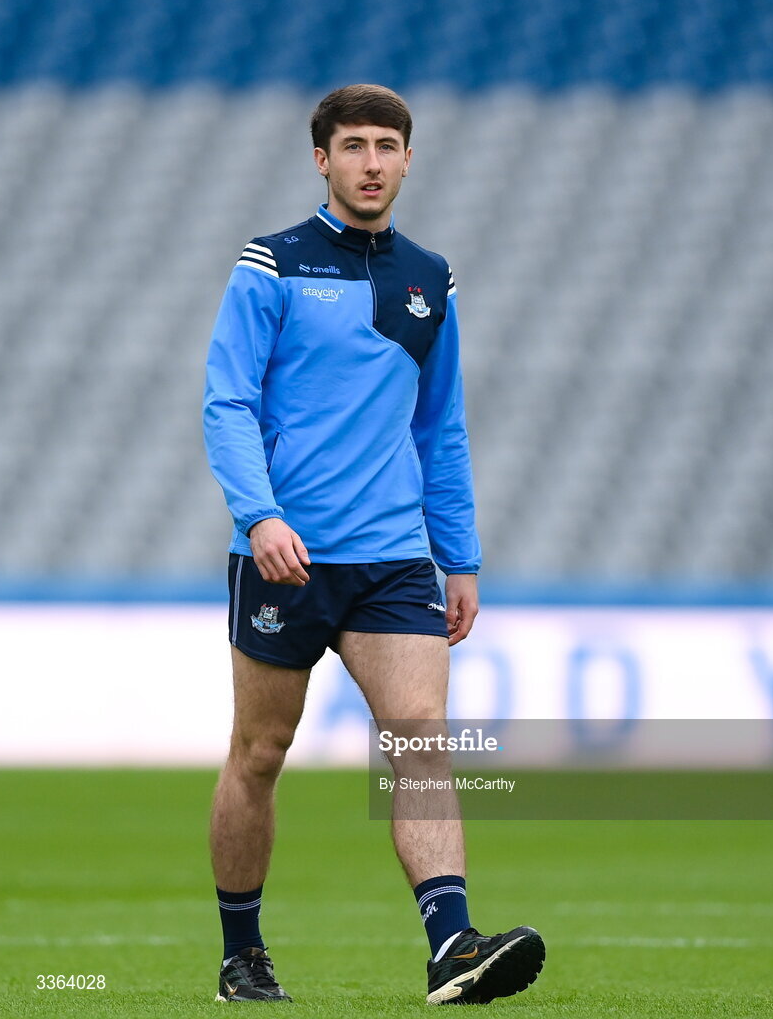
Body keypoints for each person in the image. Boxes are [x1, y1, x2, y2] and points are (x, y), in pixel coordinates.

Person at [203, 83, 544, 1005]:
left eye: (385, 145)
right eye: (351, 145)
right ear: (321, 159)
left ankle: (450, 947)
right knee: (259, 754)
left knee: (421, 740)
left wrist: (459, 556)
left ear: (406, 158)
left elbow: (442, 429)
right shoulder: (269, 264)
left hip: (394, 556)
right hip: (287, 555)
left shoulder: (429, 278)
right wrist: (260, 514)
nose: (369, 162)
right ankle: (243, 951)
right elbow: (226, 400)